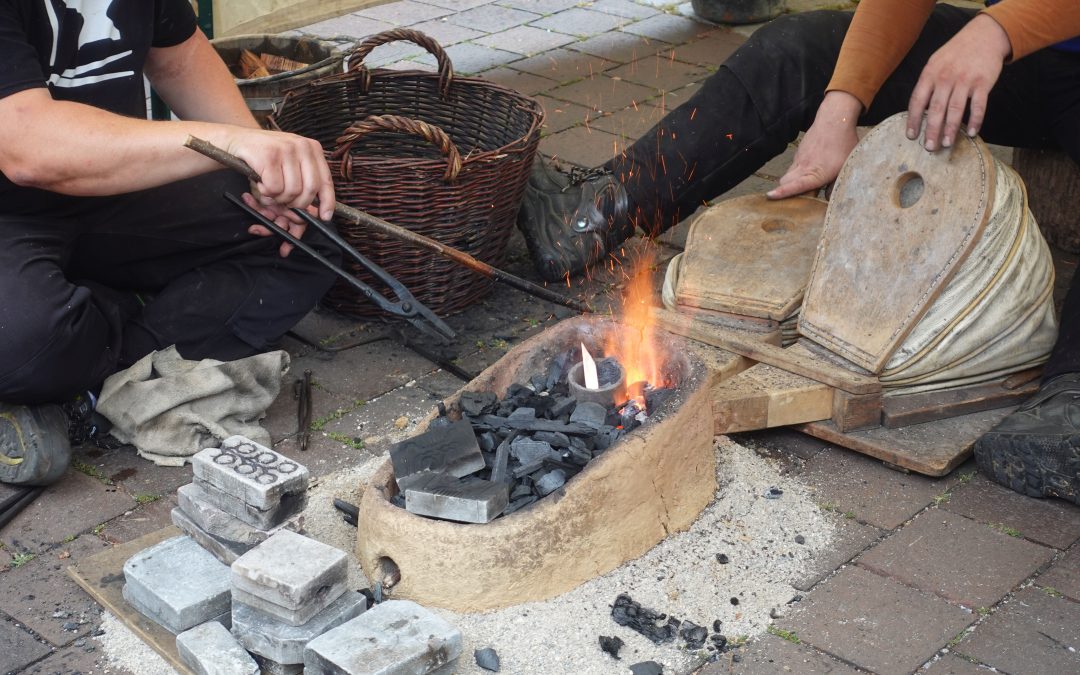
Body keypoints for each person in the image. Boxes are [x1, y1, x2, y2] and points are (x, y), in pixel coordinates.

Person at [517, 0, 1080, 504]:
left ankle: (1071, 399)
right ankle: (594, 214)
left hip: (1020, 38)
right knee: (799, 49)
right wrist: (839, 108)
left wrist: (997, 28)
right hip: (1032, 54)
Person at [0, 0, 341, 485]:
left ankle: (89, 346)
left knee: (305, 231)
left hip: (112, 179)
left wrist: (266, 171)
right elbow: (27, 148)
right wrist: (232, 144)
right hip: (11, 208)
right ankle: (72, 340)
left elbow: (178, 59)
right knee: (24, 342)